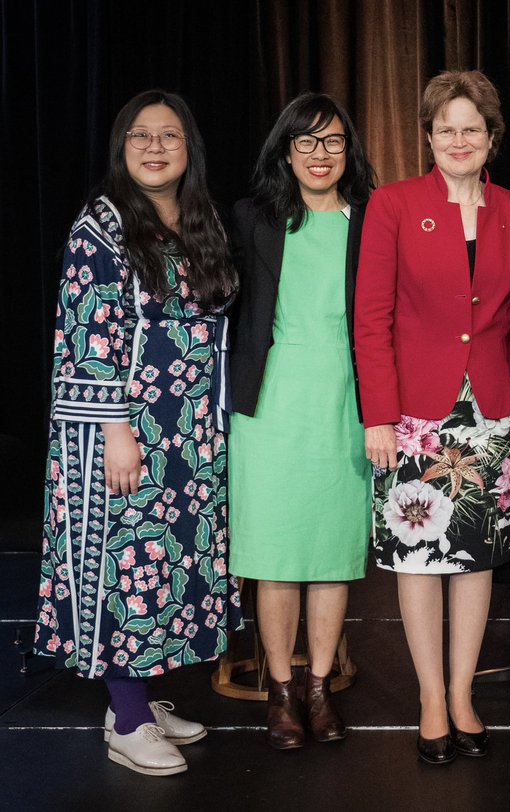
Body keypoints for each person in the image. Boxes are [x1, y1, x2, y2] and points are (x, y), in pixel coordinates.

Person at [34, 90, 239, 775]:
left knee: (168, 566)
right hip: (123, 431)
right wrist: (116, 429)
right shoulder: (101, 227)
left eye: (170, 136)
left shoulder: (196, 219)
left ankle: (141, 701)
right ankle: (125, 719)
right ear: (122, 148)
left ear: (190, 149)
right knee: (129, 563)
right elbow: (87, 334)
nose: (155, 147)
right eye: (141, 136)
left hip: (186, 433)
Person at [355, 70, 510, 765]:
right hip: (411, 414)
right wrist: (377, 415)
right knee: (417, 557)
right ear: (428, 136)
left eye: (471, 129)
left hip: (493, 410)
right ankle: (431, 697)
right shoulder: (394, 205)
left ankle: (463, 692)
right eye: (445, 129)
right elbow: (370, 319)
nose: (457, 140)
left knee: (476, 558)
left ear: (491, 137)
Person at [227, 93, 376, 749]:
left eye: (334, 141)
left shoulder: (372, 221)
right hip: (271, 406)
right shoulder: (251, 218)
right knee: (276, 554)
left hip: (345, 400)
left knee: (332, 556)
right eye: (307, 142)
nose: (321, 155)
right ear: (285, 151)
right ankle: (282, 692)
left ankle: (320, 690)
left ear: (351, 151)